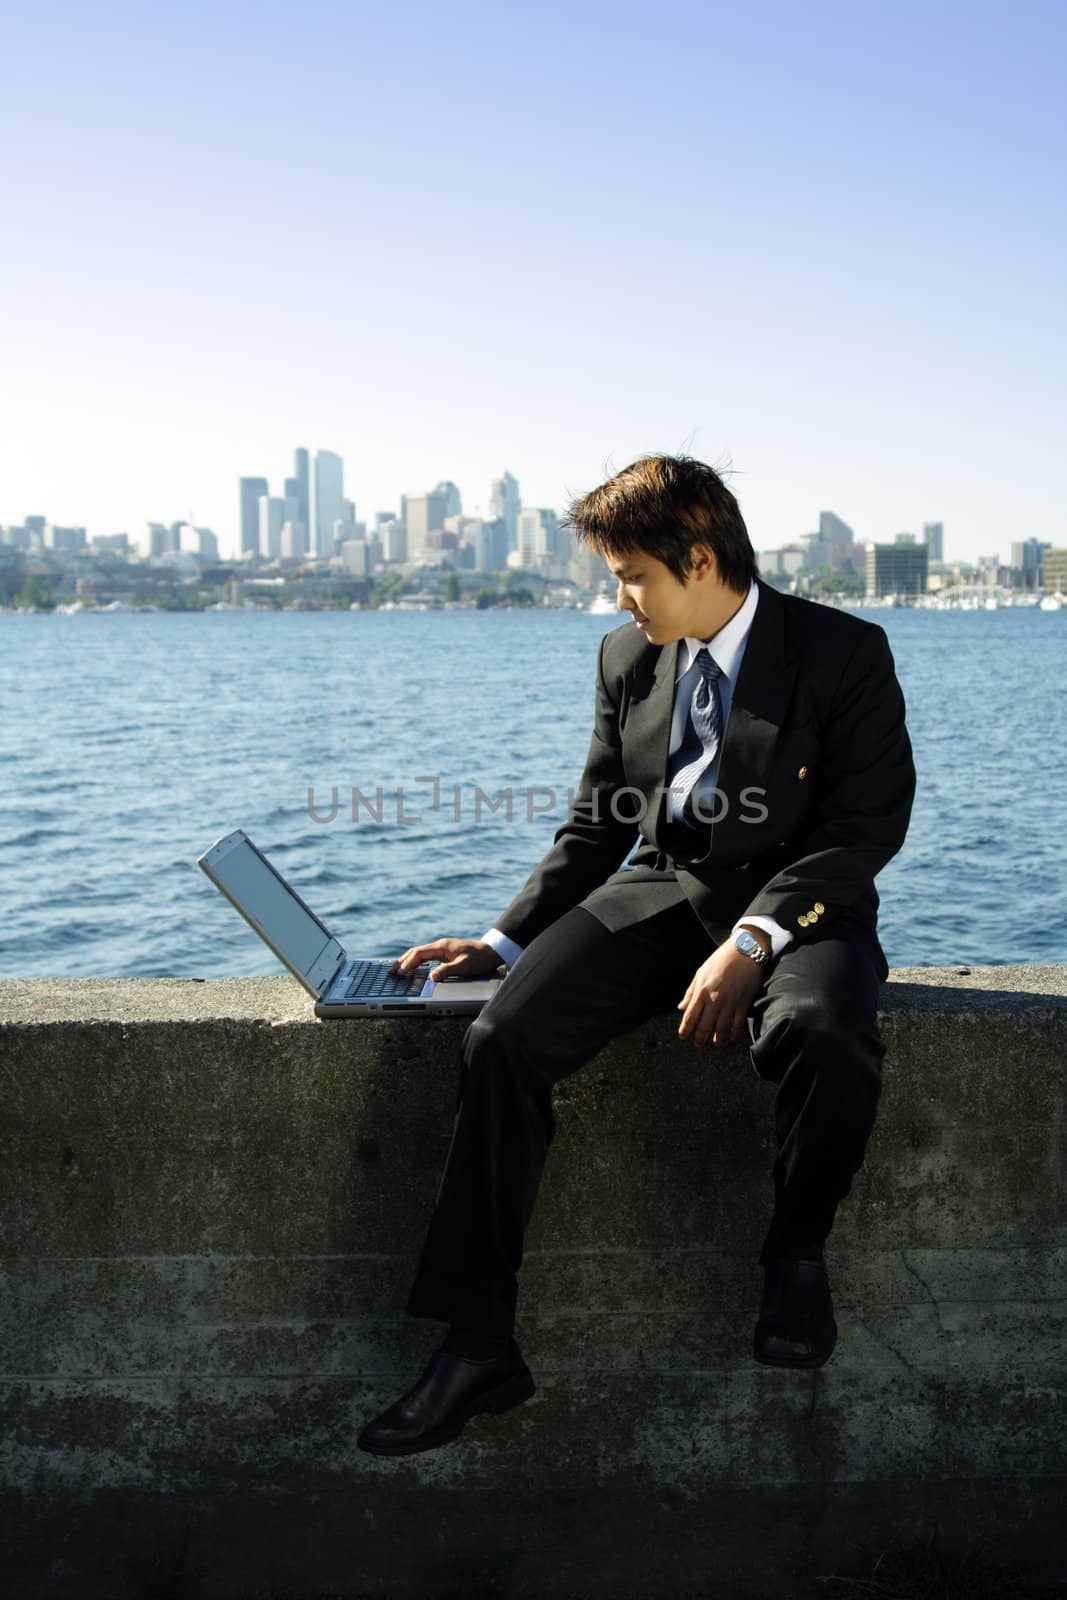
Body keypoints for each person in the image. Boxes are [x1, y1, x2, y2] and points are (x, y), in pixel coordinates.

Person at [358, 454, 915, 1458]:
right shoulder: (627, 657)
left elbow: (865, 824)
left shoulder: (841, 651)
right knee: (503, 1034)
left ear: (697, 559)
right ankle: (477, 1340)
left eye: (629, 575)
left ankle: (794, 1252)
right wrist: (499, 939)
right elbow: (597, 821)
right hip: (658, 891)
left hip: (801, 907)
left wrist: (753, 941)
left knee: (821, 1028)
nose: (615, 597)